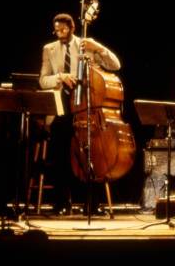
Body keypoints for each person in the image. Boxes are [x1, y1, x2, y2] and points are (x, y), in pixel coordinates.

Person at [39, 13, 120, 214]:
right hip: (61, 108)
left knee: (91, 153)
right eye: (57, 30)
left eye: (64, 29)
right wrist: (60, 77)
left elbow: (115, 65)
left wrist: (98, 48)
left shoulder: (86, 45)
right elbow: (43, 81)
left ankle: (92, 203)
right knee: (60, 154)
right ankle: (61, 202)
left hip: (86, 107)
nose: (60, 34)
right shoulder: (49, 49)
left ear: (73, 28)